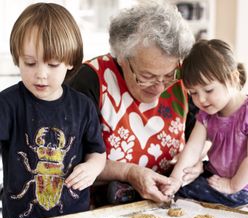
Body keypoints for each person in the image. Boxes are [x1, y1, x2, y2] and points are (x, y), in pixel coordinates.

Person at [68, 1, 201, 207]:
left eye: (168, 75)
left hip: (166, 206)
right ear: (121, 56)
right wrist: (129, 172)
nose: (159, 86)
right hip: (99, 211)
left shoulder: (182, 78)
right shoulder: (91, 80)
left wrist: (197, 162)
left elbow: (205, 134)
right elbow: (70, 159)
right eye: (146, 76)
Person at [0, 3, 106, 218]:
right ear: (17, 58)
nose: (40, 74)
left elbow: (98, 152)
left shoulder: (83, 106)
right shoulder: (7, 104)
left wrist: (92, 168)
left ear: (69, 62)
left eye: (52, 64)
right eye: (29, 63)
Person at [162, 39, 248, 207]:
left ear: (233, 78)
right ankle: (131, 191)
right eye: (193, 93)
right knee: (177, 183)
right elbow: (192, 149)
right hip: (215, 177)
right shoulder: (207, 115)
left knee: (190, 192)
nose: (200, 99)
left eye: (208, 90)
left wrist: (232, 185)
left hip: (241, 187)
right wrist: (175, 179)